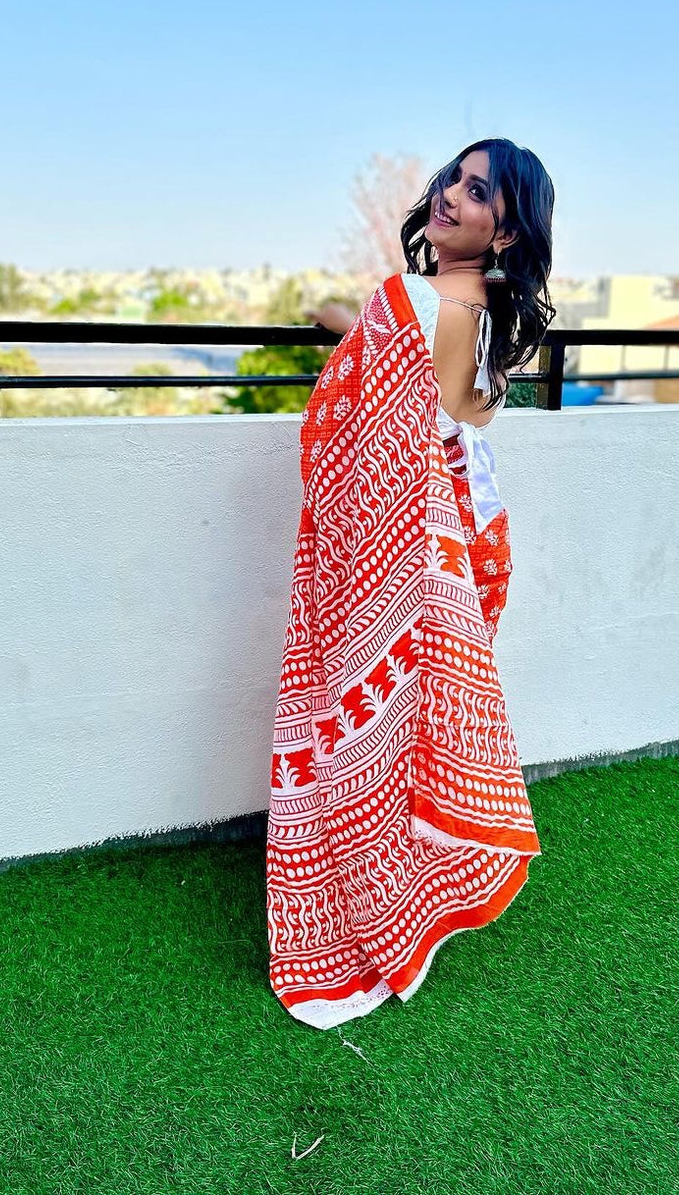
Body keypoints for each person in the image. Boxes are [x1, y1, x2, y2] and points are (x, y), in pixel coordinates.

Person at [267, 138, 556, 1029]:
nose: (451, 197)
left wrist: (340, 321)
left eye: (478, 193)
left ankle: (367, 920)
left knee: (351, 727)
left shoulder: (413, 301)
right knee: (398, 734)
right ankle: (400, 906)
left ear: (505, 232)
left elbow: (367, 375)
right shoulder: (477, 314)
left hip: (381, 556)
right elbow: (457, 415)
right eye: (453, 180)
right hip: (437, 558)